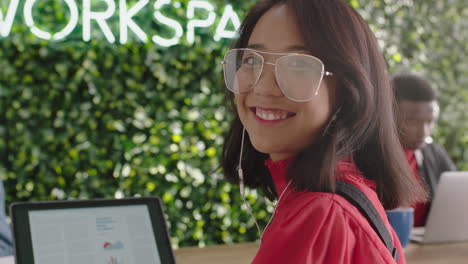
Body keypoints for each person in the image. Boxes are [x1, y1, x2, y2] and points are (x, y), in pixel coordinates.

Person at [220, 0, 427, 263]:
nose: (263, 88)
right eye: (250, 59)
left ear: (349, 89)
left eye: (298, 64)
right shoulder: (343, 192)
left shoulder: (320, 216)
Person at [392, 73, 457, 227]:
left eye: (430, 122)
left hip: (424, 244)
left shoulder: (433, 153)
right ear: (388, 116)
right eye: (413, 122)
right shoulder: (366, 157)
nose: (424, 132)